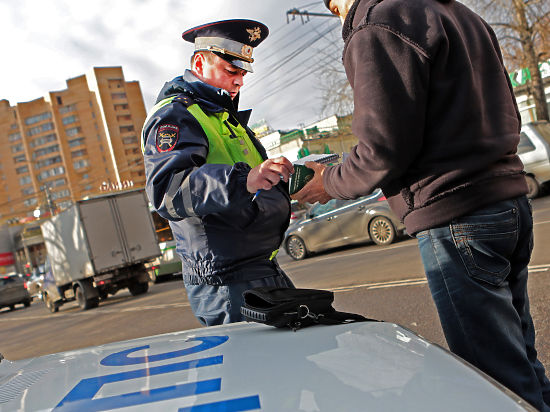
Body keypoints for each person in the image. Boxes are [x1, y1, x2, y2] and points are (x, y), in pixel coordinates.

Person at [292, 0, 550, 410]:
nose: (342, 17)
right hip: (508, 203)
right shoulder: (461, 14)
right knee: (521, 360)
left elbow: (381, 150)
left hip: (456, 214)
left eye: (336, 9)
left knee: (494, 379)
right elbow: (508, 113)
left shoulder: (377, 23)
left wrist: (330, 181)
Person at [142, 19, 295, 327]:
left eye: (243, 73)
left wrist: (289, 181)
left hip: (260, 267)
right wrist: (245, 180)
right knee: (257, 371)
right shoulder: (176, 114)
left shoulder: (225, 117)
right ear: (200, 62)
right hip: (225, 280)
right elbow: (167, 190)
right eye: (232, 71)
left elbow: (252, 185)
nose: (240, 82)